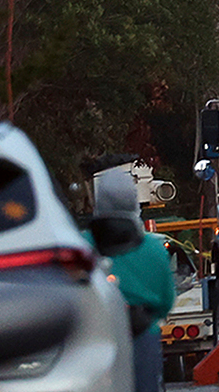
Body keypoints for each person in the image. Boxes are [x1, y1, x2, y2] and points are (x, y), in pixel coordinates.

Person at [88, 168, 173, 392]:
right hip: (143, 335)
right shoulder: (154, 249)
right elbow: (166, 302)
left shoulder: (82, 247)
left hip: (97, 339)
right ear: (134, 202)